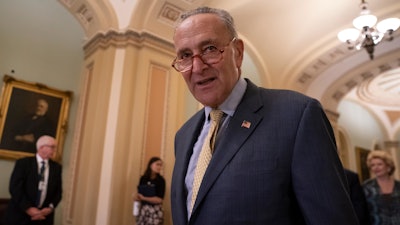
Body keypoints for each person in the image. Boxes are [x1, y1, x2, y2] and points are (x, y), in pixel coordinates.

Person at [170, 6, 359, 225]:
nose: (197, 67)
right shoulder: (183, 135)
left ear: (238, 52)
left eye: (210, 48)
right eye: (185, 55)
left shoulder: (297, 115)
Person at [2, 135, 62, 225]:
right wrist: (29, 209)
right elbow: (15, 188)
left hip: (44, 218)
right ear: (41, 147)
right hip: (20, 216)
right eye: (52, 147)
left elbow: (58, 192)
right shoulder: (23, 163)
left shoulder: (56, 167)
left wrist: (50, 208)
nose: (55, 150)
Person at [363, 150, 400, 225]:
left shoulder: (398, 186)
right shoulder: (366, 187)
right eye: (373, 165)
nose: (376, 167)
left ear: (388, 166)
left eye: (379, 164)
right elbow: (363, 213)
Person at [134, 157, 166, 225]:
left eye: (161, 165)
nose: (159, 167)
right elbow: (139, 194)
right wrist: (136, 197)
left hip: (155, 211)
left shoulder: (161, 180)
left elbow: (160, 199)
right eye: (157, 164)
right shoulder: (143, 178)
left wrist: (144, 198)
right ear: (151, 165)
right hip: (143, 210)